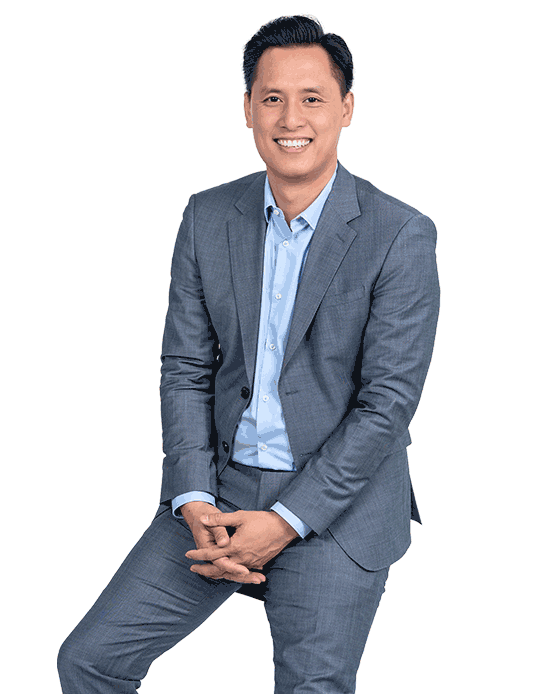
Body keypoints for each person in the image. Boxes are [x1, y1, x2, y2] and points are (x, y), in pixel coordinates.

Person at [58, 15, 440, 693]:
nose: (291, 118)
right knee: (91, 660)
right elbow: (185, 368)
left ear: (346, 108)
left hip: (338, 508)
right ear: (247, 109)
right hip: (220, 494)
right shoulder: (208, 216)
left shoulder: (398, 234)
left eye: (312, 98)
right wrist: (192, 495)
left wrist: (286, 521)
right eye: (272, 98)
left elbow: (386, 406)